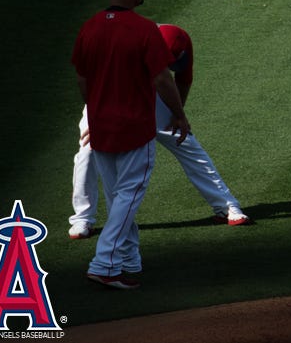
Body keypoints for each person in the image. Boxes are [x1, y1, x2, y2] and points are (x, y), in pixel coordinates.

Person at [69, 24, 251, 241]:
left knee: (183, 140)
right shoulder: (126, 46)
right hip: (108, 97)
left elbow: (183, 79)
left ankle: (226, 205)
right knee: (88, 149)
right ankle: (83, 218)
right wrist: (100, 119)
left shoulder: (181, 41)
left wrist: (178, 114)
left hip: (151, 95)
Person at [72, 0, 191, 290]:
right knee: (128, 196)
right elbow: (162, 78)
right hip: (134, 127)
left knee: (117, 198)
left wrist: (95, 110)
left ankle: (127, 259)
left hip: (102, 127)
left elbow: (83, 78)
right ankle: (105, 264)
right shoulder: (143, 29)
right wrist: (179, 113)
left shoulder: (90, 28)